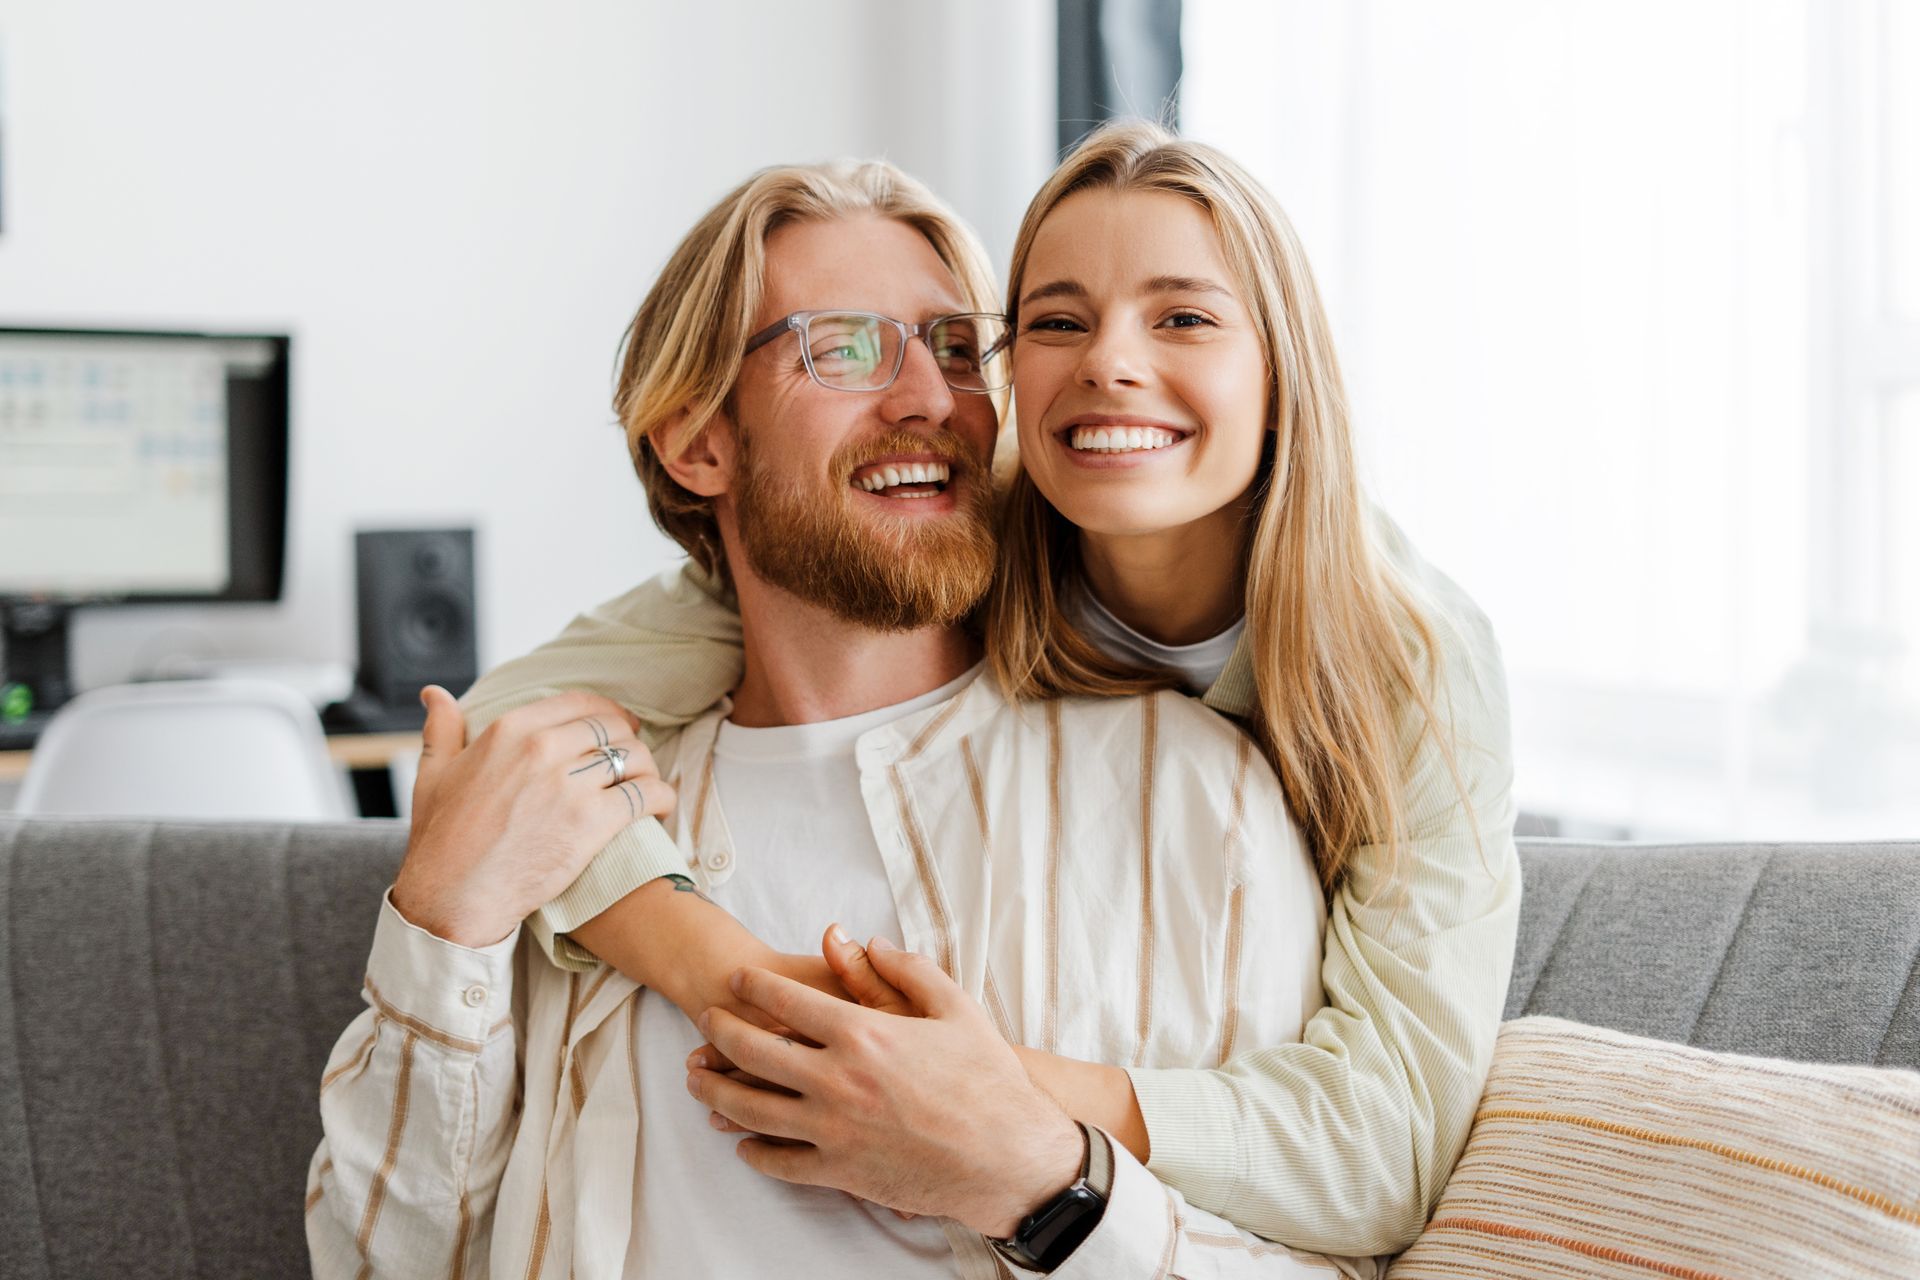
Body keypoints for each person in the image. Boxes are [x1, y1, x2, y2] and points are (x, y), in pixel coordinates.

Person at [459, 122, 1520, 1258]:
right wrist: (722, 966)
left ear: (1283, 372)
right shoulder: (953, 539)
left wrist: (976, 1105)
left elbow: (1389, 1140)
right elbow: (492, 736)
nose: (1109, 362)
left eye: (1185, 317)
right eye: (1055, 322)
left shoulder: (1406, 655)